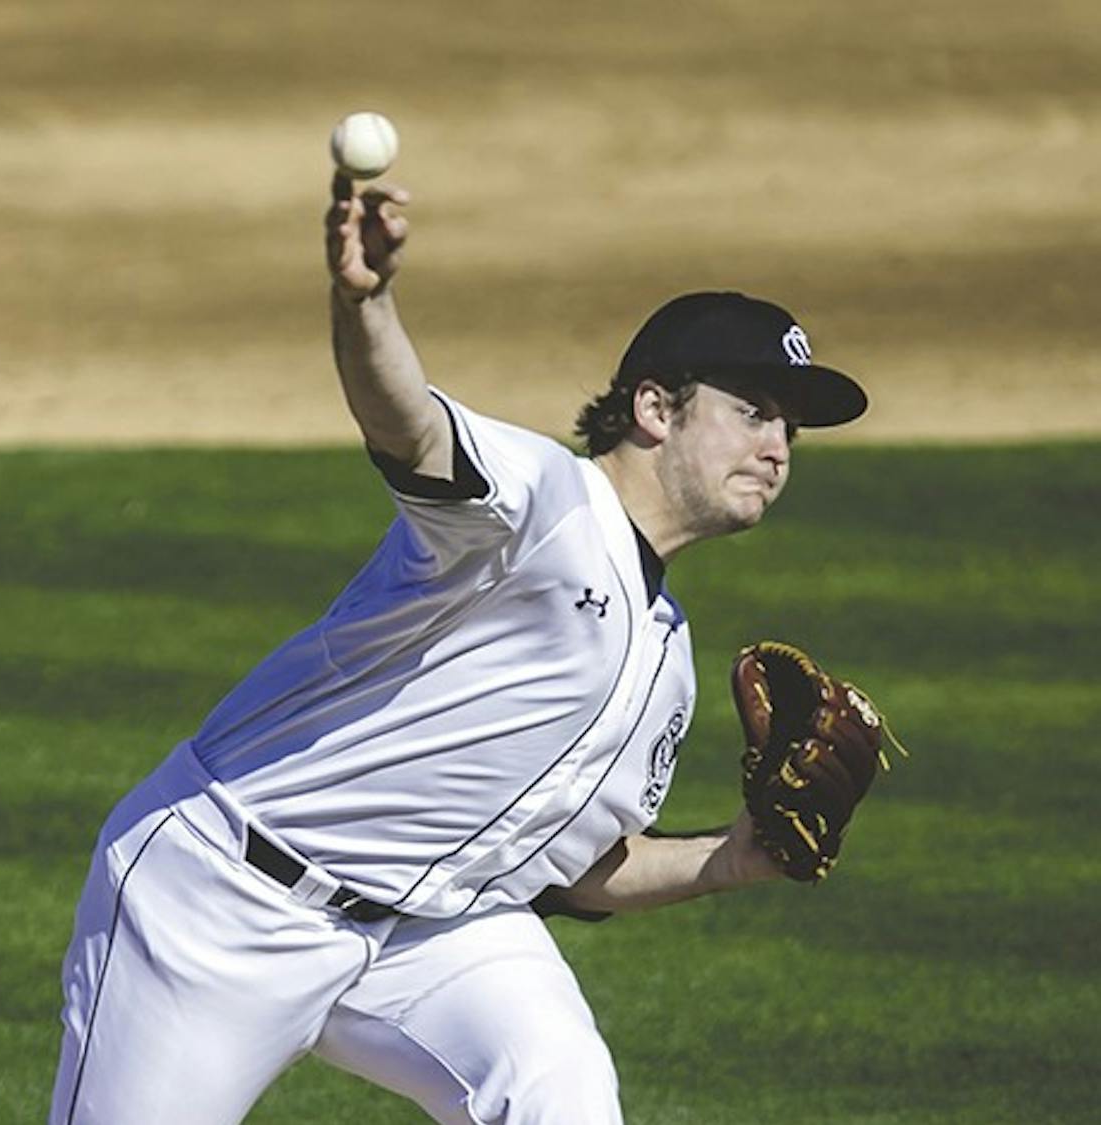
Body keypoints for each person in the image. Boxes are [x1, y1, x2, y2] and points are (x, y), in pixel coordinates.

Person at [47, 173, 871, 1125]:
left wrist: (726, 858)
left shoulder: (668, 661)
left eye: (791, 429)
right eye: (756, 410)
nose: (780, 447)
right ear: (656, 407)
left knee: (561, 1090)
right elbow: (408, 426)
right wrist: (366, 302)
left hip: (428, 936)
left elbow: (568, 867)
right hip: (223, 900)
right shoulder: (539, 502)